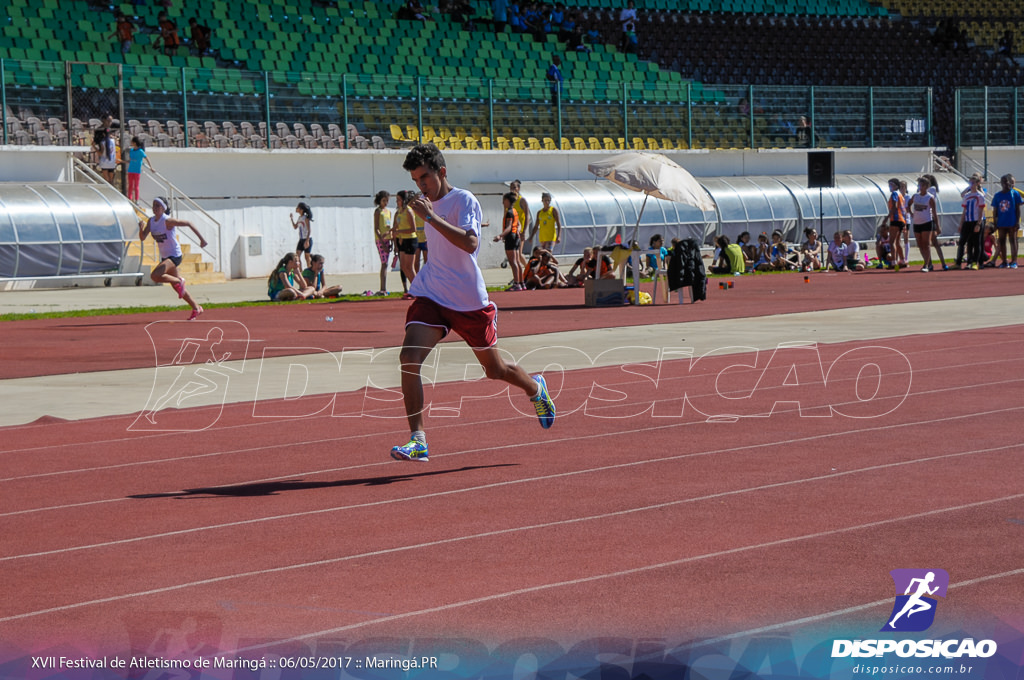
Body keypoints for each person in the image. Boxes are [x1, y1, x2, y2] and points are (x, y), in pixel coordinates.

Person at [391, 143, 555, 462]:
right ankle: (418, 439)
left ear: (442, 172)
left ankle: (535, 389)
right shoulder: (426, 204)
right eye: (415, 181)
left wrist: (431, 217)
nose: (420, 186)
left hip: (467, 301)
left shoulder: (463, 199)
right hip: (432, 294)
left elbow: (469, 243)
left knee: (495, 370)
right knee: (408, 358)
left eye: (424, 177)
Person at [139, 197, 206, 320]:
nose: (154, 208)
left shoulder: (167, 221)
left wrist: (202, 240)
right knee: (178, 288)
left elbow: (188, 223)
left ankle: (179, 280)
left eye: (157, 205)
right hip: (165, 257)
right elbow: (143, 237)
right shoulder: (151, 221)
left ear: (163, 208)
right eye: (153, 205)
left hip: (174, 256)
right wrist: (140, 228)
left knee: (155, 276)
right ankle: (196, 307)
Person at [494, 191, 525, 290]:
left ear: (507, 201)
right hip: (516, 238)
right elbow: (518, 224)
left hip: (511, 238)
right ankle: (521, 282)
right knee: (517, 261)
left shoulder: (509, 212)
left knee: (513, 262)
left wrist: (500, 236)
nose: (503, 203)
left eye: (504, 201)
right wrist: (518, 231)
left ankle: (516, 283)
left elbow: (508, 227)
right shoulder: (515, 211)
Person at [991, 173, 1022, 268]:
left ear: (1010, 182)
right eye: (1003, 182)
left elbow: (1017, 209)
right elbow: (995, 210)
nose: (1005, 183)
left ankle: (1014, 261)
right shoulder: (997, 195)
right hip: (1001, 223)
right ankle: (1004, 261)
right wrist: (995, 223)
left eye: (1007, 181)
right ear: (1001, 183)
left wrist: (1017, 221)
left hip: (1012, 222)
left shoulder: (1015, 194)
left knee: (1013, 241)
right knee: (1002, 241)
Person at [956, 173, 986, 270]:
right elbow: (964, 211)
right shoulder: (967, 196)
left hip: (975, 221)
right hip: (967, 221)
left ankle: (974, 262)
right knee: (962, 242)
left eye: (973, 182)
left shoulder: (980, 196)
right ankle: (958, 262)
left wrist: (978, 223)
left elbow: (981, 211)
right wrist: (961, 224)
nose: (971, 184)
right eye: (970, 182)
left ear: (977, 183)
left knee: (976, 242)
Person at [909, 176, 938, 272]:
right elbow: (908, 205)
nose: (919, 187)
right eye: (919, 185)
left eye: (921, 185)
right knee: (920, 244)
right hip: (917, 223)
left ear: (926, 186)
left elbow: (934, 212)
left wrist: (937, 225)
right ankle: (928, 263)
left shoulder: (929, 197)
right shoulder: (915, 196)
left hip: (927, 222)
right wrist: (911, 213)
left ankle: (926, 265)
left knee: (926, 244)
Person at [393, 189, 419, 298]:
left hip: (410, 240)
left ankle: (419, 290)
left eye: (398, 199)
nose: (397, 202)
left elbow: (413, 229)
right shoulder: (398, 212)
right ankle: (414, 289)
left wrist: (399, 232)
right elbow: (396, 227)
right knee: (403, 266)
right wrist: (392, 233)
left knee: (410, 267)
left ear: (403, 200)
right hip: (402, 240)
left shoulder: (409, 211)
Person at [921, 174, 949, 270]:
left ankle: (943, 263)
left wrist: (937, 225)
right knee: (926, 243)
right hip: (924, 218)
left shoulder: (932, 189)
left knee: (934, 242)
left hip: (930, 218)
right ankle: (930, 263)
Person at [372, 190, 392, 295]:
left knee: (386, 264)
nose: (386, 203)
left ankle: (384, 287)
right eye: (384, 200)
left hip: (388, 239)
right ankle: (382, 287)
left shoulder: (388, 212)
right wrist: (382, 242)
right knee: (384, 263)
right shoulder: (378, 211)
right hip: (381, 240)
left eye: (387, 200)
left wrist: (391, 238)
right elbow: (376, 228)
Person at [124, 135, 153, 202]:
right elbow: (131, 160)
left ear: (135, 143)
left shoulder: (140, 151)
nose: (131, 143)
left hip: (137, 171)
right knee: (130, 185)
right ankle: (130, 199)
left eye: (132, 142)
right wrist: (124, 161)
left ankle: (137, 200)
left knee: (136, 186)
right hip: (130, 170)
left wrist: (151, 167)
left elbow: (146, 158)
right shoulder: (131, 150)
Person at [886, 178, 906, 270]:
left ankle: (894, 261)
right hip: (901, 219)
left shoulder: (894, 194)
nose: (890, 187)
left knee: (892, 241)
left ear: (896, 186)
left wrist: (887, 218)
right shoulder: (901, 195)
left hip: (895, 219)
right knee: (898, 241)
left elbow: (894, 206)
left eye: (891, 185)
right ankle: (902, 260)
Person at [291, 201, 314, 269]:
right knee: (297, 256)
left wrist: (307, 241)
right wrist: (292, 219)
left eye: (297, 207)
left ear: (301, 209)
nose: (296, 208)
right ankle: (301, 272)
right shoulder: (299, 218)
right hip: (301, 239)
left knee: (307, 256)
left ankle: (309, 271)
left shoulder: (306, 218)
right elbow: (295, 227)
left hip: (307, 239)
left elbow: (309, 230)